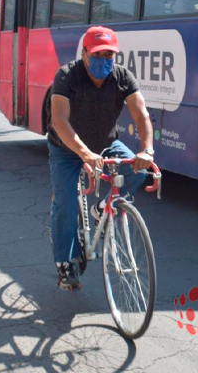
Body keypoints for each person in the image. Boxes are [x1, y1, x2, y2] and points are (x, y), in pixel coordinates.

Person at [48, 26, 154, 290]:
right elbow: (59, 120)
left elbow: (141, 115)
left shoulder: (122, 77)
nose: (103, 60)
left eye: (109, 55)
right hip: (66, 147)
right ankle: (65, 263)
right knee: (65, 204)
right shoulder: (66, 76)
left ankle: (101, 210)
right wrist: (83, 153)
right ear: (84, 52)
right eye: (97, 54)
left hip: (106, 143)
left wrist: (147, 149)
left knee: (138, 171)